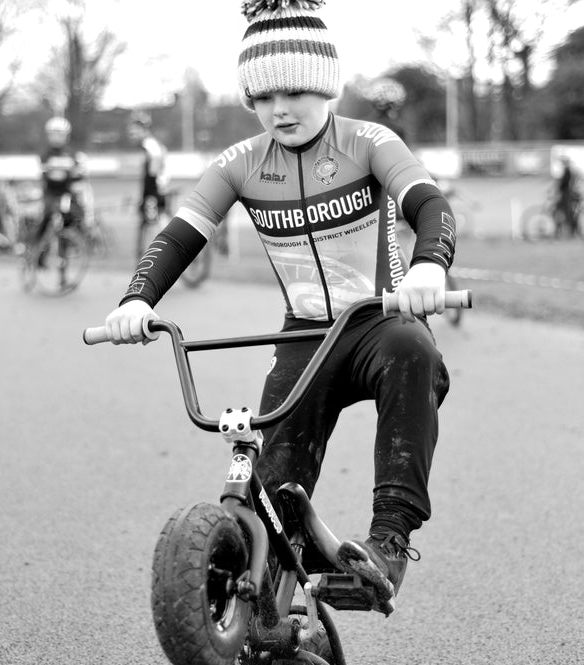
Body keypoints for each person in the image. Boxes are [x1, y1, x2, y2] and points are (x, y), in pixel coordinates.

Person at [97, 0, 456, 615]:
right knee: (270, 480)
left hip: (377, 321)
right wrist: (136, 299)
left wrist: (429, 264)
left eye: (293, 91)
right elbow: (180, 235)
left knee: (414, 349)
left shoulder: (369, 142)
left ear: (324, 87)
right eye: (263, 97)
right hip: (303, 339)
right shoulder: (239, 164)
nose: (279, 109)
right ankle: (256, 602)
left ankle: (388, 542)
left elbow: (430, 205)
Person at [35, 115, 94, 249]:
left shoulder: (72, 154)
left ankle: (69, 244)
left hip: (67, 193)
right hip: (50, 192)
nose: (56, 138)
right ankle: (36, 250)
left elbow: (79, 174)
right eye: (53, 134)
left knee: (73, 215)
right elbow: (48, 174)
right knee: (46, 218)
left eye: (59, 134)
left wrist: (74, 174)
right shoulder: (45, 154)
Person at [127, 112, 171, 258]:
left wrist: (147, 196)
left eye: (135, 131)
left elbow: (152, 174)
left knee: (153, 228)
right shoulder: (152, 144)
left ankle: (174, 251)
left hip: (155, 191)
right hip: (159, 190)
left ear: (143, 129)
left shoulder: (150, 145)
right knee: (157, 224)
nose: (132, 134)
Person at [554, 154, 580, 238]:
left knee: (565, 213)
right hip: (568, 194)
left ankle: (567, 232)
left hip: (567, 195)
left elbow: (564, 185)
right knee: (567, 213)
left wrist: (557, 192)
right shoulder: (570, 171)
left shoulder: (567, 171)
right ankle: (566, 232)